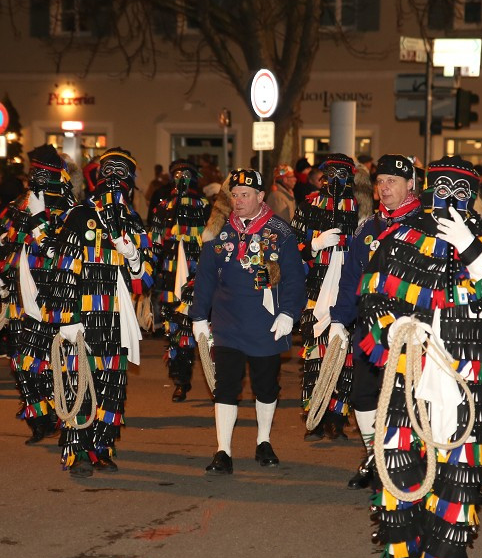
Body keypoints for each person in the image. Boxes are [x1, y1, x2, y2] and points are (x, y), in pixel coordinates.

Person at [356, 157, 482, 558]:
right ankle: (399, 557)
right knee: (396, 461)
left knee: (459, 473)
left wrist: (471, 248)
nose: (450, 196)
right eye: (442, 187)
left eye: (460, 189)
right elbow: (371, 298)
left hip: (463, 376)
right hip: (409, 370)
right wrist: (393, 328)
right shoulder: (399, 239)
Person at [42, 147, 151, 477]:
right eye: (110, 177)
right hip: (82, 316)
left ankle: (102, 447)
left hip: (116, 318)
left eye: (122, 180)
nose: (116, 187)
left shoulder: (132, 222)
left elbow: (145, 278)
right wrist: (65, 320)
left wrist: (134, 258)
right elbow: (63, 270)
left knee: (112, 385)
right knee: (79, 383)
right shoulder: (79, 217)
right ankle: (77, 451)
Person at [191, 169, 306, 475]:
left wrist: (288, 313)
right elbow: (204, 278)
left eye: (245, 195)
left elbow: (295, 279)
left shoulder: (280, 231)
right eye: (234, 195)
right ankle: (223, 450)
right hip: (227, 323)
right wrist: (199, 316)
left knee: (265, 386)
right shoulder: (218, 232)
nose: (239, 201)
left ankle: (263, 441)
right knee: (226, 387)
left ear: (259, 197)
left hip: (266, 323)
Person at [330, 153, 422, 489]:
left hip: (409, 330)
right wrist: (340, 320)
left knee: (404, 398)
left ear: (410, 184)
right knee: (363, 396)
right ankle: (374, 456)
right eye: (380, 182)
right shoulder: (369, 227)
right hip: (369, 329)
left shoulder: (423, 225)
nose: (384, 188)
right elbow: (350, 278)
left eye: (392, 182)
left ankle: (403, 460)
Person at [0, 145, 74, 441]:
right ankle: (38, 419)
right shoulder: (17, 205)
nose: (37, 179)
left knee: (57, 358)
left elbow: (68, 253)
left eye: (43, 173)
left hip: (54, 297)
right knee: (23, 360)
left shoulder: (69, 209)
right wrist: (4, 247)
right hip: (19, 297)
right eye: (34, 173)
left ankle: (62, 415)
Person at [292, 153, 361, 441]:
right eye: (331, 173)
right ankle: (315, 414)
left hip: (347, 290)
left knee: (345, 356)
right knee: (315, 355)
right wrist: (314, 245)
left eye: (342, 174)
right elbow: (291, 251)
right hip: (315, 290)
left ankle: (337, 417)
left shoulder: (361, 208)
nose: (335, 180)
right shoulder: (308, 206)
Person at [149, 159, 210, 402]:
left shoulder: (206, 207)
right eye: (177, 174)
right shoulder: (163, 207)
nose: (181, 178)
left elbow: (215, 244)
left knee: (206, 331)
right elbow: (154, 244)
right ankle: (181, 380)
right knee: (176, 331)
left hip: (199, 276)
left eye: (185, 173)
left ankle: (216, 380)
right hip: (170, 277)